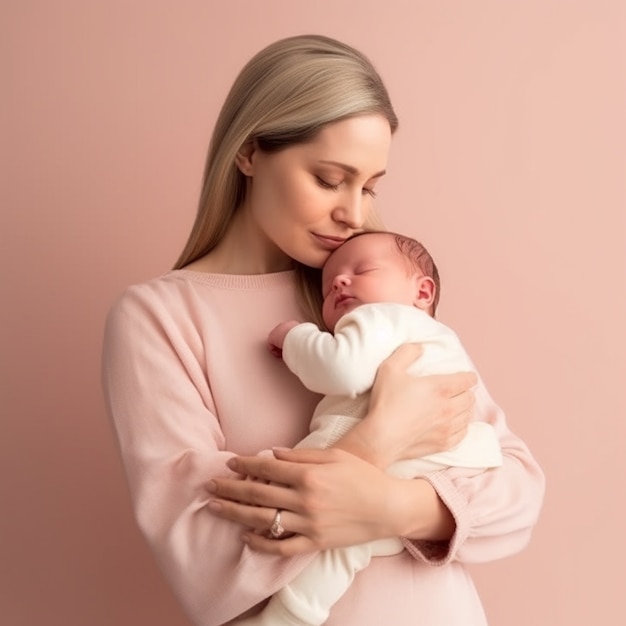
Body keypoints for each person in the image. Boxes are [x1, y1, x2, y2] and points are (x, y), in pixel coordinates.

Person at [101, 34, 544, 626]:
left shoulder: (371, 289)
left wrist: (393, 506)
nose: (354, 214)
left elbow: (516, 489)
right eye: (330, 179)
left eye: (370, 185)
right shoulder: (159, 319)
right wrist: (380, 438)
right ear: (251, 152)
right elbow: (203, 555)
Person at [239, 230, 503, 626]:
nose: (340, 282)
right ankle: (291, 614)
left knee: (299, 480)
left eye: (362, 270)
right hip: (449, 458)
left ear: (423, 291)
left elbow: (339, 369)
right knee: (350, 543)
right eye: (329, 286)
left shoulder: (386, 316)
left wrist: (295, 336)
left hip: (408, 448)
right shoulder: (443, 341)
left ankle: (286, 615)